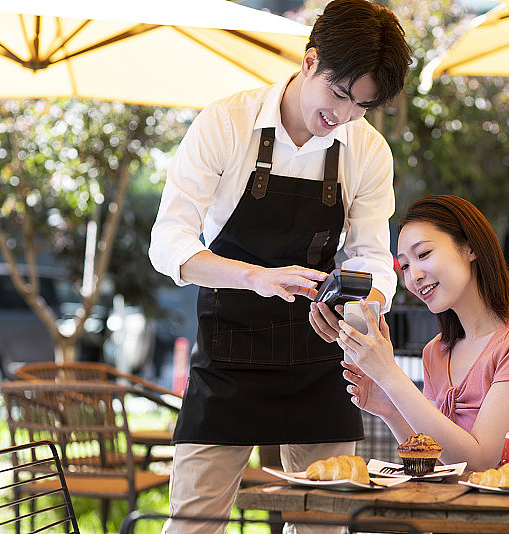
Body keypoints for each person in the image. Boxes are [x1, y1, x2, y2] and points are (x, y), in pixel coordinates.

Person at [148, 0, 411, 531]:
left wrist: (362, 308)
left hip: (320, 354)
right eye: (340, 95)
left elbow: (370, 257)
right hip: (228, 350)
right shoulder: (227, 123)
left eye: (362, 106)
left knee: (324, 522)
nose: (344, 116)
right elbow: (168, 241)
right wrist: (255, 277)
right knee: (195, 521)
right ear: (310, 61)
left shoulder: (368, 151)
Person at [337, 195, 509, 475]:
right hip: (472, 498)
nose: (413, 276)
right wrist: (390, 409)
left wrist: (391, 375)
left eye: (423, 254)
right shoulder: (435, 352)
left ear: (470, 247)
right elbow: (436, 461)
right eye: (405, 266)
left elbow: (479, 461)